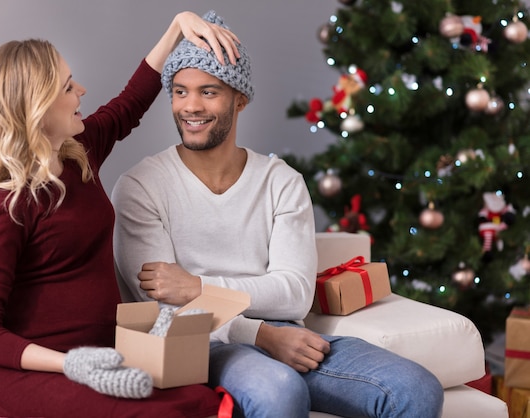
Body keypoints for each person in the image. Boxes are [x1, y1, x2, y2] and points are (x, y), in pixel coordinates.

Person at [112, 10, 445, 418]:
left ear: (240, 99)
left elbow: (293, 294)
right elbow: (165, 305)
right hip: (198, 344)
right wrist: (260, 332)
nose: (190, 106)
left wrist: (197, 286)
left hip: (286, 333)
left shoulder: (281, 181)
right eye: (180, 92)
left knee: (416, 389)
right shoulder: (141, 186)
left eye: (208, 92)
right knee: (279, 390)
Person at [0, 11, 241, 418]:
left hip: (94, 358)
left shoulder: (78, 153)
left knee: (199, 399)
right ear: (38, 107)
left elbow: (129, 103)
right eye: (68, 86)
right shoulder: (5, 206)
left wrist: (177, 27)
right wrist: (70, 365)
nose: (81, 90)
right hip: (25, 371)